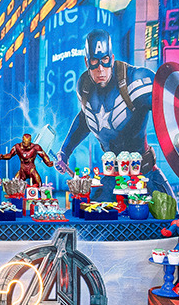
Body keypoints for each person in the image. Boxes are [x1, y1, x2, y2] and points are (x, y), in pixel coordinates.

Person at [56, 29, 172, 196]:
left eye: (105, 60)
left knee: (168, 211)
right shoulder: (85, 86)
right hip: (111, 179)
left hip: (144, 176)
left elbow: (169, 106)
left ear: (111, 58)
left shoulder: (135, 79)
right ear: (87, 62)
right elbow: (85, 119)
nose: (101, 69)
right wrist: (64, 152)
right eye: (94, 62)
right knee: (91, 211)